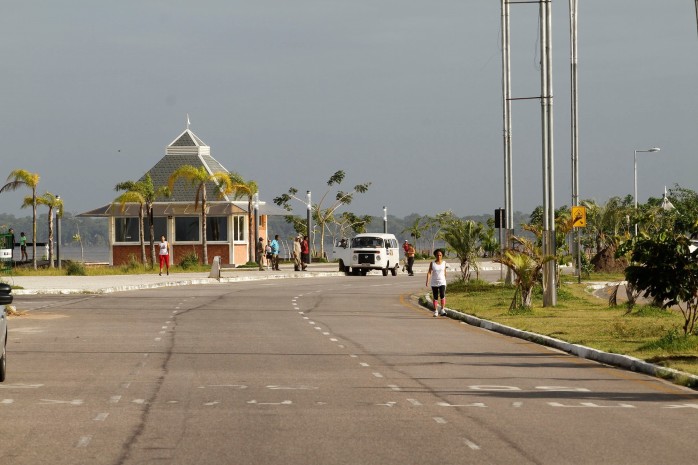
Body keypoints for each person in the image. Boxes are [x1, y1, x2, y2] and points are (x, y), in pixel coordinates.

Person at [425, 249, 447, 317]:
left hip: (442, 282)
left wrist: (445, 279)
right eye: (437, 255)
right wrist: (427, 281)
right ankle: (436, 311)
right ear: (435, 255)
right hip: (434, 283)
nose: (439, 256)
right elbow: (429, 272)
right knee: (435, 297)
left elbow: (445, 272)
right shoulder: (432, 263)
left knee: (442, 295)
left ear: (442, 255)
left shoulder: (444, 263)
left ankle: (442, 309)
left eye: (440, 255)